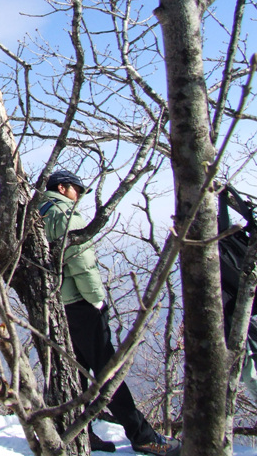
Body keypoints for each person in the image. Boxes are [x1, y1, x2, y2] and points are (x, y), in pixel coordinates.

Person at [40, 169, 181, 456]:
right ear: (64, 187)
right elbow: (82, 261)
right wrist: (97, 300)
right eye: (77, 190)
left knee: (75, 372)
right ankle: (142, 436)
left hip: (57, 304)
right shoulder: (65, 213)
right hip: (80, 303)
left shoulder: (36, 211)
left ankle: (81, 435)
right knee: (109, 372)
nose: (79, 197)